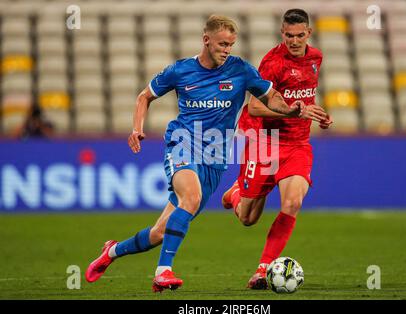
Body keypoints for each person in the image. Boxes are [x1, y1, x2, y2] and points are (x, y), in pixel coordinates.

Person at [85, 14, 328, 293]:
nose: (227, 50)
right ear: (206, 40)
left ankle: (112, 251)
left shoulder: (241, 70)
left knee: (160, 232)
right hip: (183, 142)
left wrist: (292, 108)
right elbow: (144, 97)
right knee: (191, 196)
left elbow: (269, 96)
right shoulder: (180, 70)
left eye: (231, 45)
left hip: (215, 155)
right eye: (222, 44)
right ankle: (163, 272)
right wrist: (136, 128)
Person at [221, 9, 333, 290]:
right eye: (288, 35)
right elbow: (256, 106)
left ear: (308, 33)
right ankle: (236, 194)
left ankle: (262, 270)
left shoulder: (316, 58)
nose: (294, 41)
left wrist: (318, 115)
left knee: (293, 202)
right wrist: (294, 114)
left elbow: (304, 97)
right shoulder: (272, 63)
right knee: (248, 219)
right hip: (265, 142)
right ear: (282, 33)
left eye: (299, 35)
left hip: (297, 145)